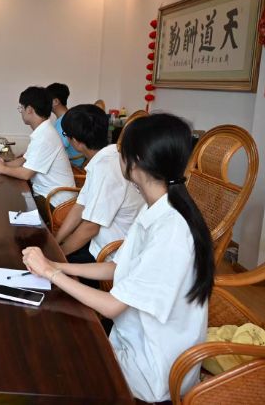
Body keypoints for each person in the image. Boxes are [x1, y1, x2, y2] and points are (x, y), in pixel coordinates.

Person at [21, 113, 214, 403]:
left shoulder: (172, 229)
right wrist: (56, 264)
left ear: (136, 161)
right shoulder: (159, 207)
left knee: (46, 357)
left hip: (151, 372)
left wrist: (52, 274)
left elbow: (112, 307)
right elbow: (116, 267)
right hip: (133, 343)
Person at [55, 105, 144, 265]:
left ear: (75, 141)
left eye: (66, 135)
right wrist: (56, 242)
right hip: (99, 244)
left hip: (110, 254)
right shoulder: (109, 155)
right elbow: (80, 206)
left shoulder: (105, 168)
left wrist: (57, 256)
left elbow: (90, 227)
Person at [0, 86, 75, 208]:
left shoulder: (44, 136)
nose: (21, 112)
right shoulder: (43, 131)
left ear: (29, 109)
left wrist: (2, 169)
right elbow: (24, 160)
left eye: (21, 108)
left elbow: (26, 174)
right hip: (47, 194)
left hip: (55, 202)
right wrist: (4, 164)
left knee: (4, 202)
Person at [47, 82, 84, 167]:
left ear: (56, 101)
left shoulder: (64, 120)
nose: (44, 103)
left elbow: (57, 149)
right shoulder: (66, 117)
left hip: (73, 166)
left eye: (47, 100)